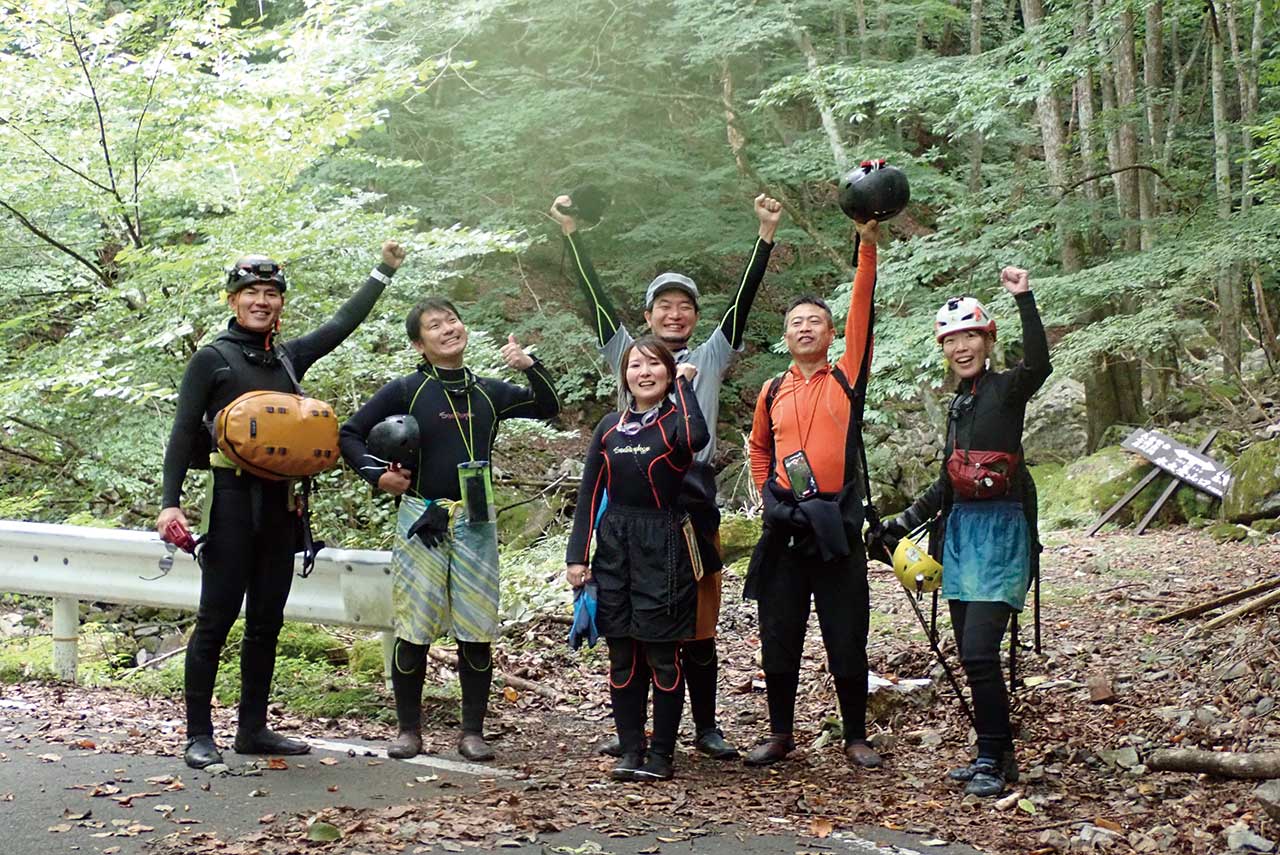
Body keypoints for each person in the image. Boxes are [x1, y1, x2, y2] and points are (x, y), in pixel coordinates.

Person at [550, 192, 783, 760]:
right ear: (648, 315)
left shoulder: (709, 355)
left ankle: (703, 726)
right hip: (632, 507)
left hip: (691, 507)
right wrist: (573, 234)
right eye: (664, 307)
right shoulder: (632, 358)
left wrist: (765, 236)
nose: (674, 315)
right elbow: (597, 303)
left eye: (684, 307)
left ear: (695, 317)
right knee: (631, 623)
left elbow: (743, 306)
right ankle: (635, 729)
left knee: (697, 625)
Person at [158, 241, 407, 770]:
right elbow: (183, 435)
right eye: (251, 293)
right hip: (228, 503)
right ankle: (198, 734)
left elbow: (343, 323)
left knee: (267, 621)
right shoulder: (212, 359)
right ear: (233, 300)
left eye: (271, 293)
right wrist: (169, 504)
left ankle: (252, 730)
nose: (262, 301)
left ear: (280, 303)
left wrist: (383, 269)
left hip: (281, 505)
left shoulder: (288, 358)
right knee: (215, 620)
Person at [340, 299, 560, 762]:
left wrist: (529, 365)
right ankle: (407, 730)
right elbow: (350, 433)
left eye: (452, 320)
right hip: (422, 514)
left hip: (476, 519)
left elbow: (547, 406)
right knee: (414, 624)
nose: (448, 329)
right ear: (420, 344)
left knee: (476, 626)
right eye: (434, 326)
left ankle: (472, 732)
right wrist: (378, 475)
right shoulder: (408, 389)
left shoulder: (487, 393)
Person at [872, 267, 1050, 797]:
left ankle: (992, 756)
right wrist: (901, 524)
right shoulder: (958, 405)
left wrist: (1024, 297)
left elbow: (1039, 362)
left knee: (977, 652)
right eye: (950, 340)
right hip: (959, 535)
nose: (961, 346)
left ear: (987, 339)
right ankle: (996, 753)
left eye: (969, 335)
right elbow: (950, 478)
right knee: (971, 654)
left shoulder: (1006, 389)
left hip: (1002, 532)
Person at [742, 218, 882, 769]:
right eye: (796, 322)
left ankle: (854, 734)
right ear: (785, 335)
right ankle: (780, 733)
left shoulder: (847, 377)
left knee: (846, 632)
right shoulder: (772, 389)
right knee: (779, 633)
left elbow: (863, 311)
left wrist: (866, 247)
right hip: (784, 527)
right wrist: (766, 495)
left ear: (830, 334)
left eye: (816, 322)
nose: (806, 329)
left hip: (837, 527)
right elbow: (758, 449)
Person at [565, 336, 708, 781]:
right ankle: (631, 748)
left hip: (664, 543)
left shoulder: (675, 420)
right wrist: (577, 556)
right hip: (616, 545)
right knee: (622, 654)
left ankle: (662, 756)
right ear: (624, 375)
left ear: (668, 371)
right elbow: (590, 494)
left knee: (663, 655)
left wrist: (685, 388)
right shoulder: (610, 426)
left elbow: (696, 438)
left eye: (653, 365)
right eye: (634, 366)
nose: (643, 373)